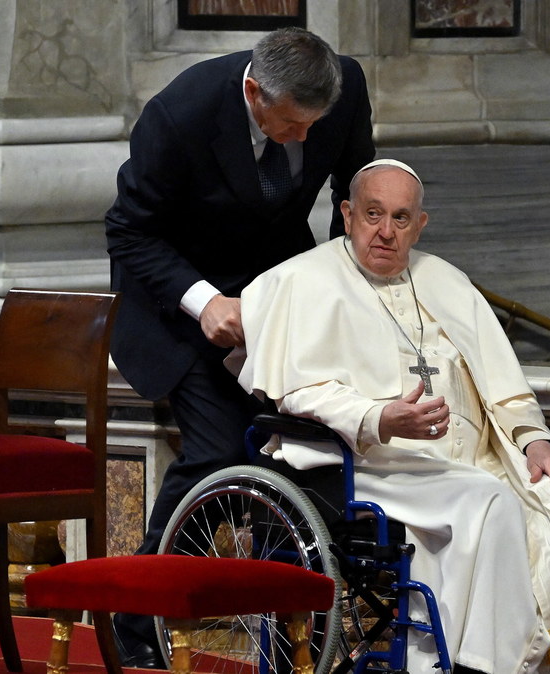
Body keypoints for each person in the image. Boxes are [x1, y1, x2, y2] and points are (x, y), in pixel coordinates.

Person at [235, 159, 550, 674]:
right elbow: (302, 393)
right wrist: (380, 418)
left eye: (401, 218)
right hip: (373, 465)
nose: (385, 231)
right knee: (487, 504)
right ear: (348, 214)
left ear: (420, 225)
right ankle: (480, 664)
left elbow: (505, 387)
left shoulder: (447, 281)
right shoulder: (302, 281)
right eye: (372, 214)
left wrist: (536, 444)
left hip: (474, 461)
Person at [104, 26, 375, 666]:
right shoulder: (180, 114)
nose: (305, 138)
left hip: (279, 297)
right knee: (222, 450)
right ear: (254, 92)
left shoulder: (345, 87)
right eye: (290, 126)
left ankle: (288, 644)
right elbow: (129, 231)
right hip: (178, 302)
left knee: (304, 452)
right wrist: (204, 301)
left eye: (316, 123)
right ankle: (141, 622)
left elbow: (354, 186)